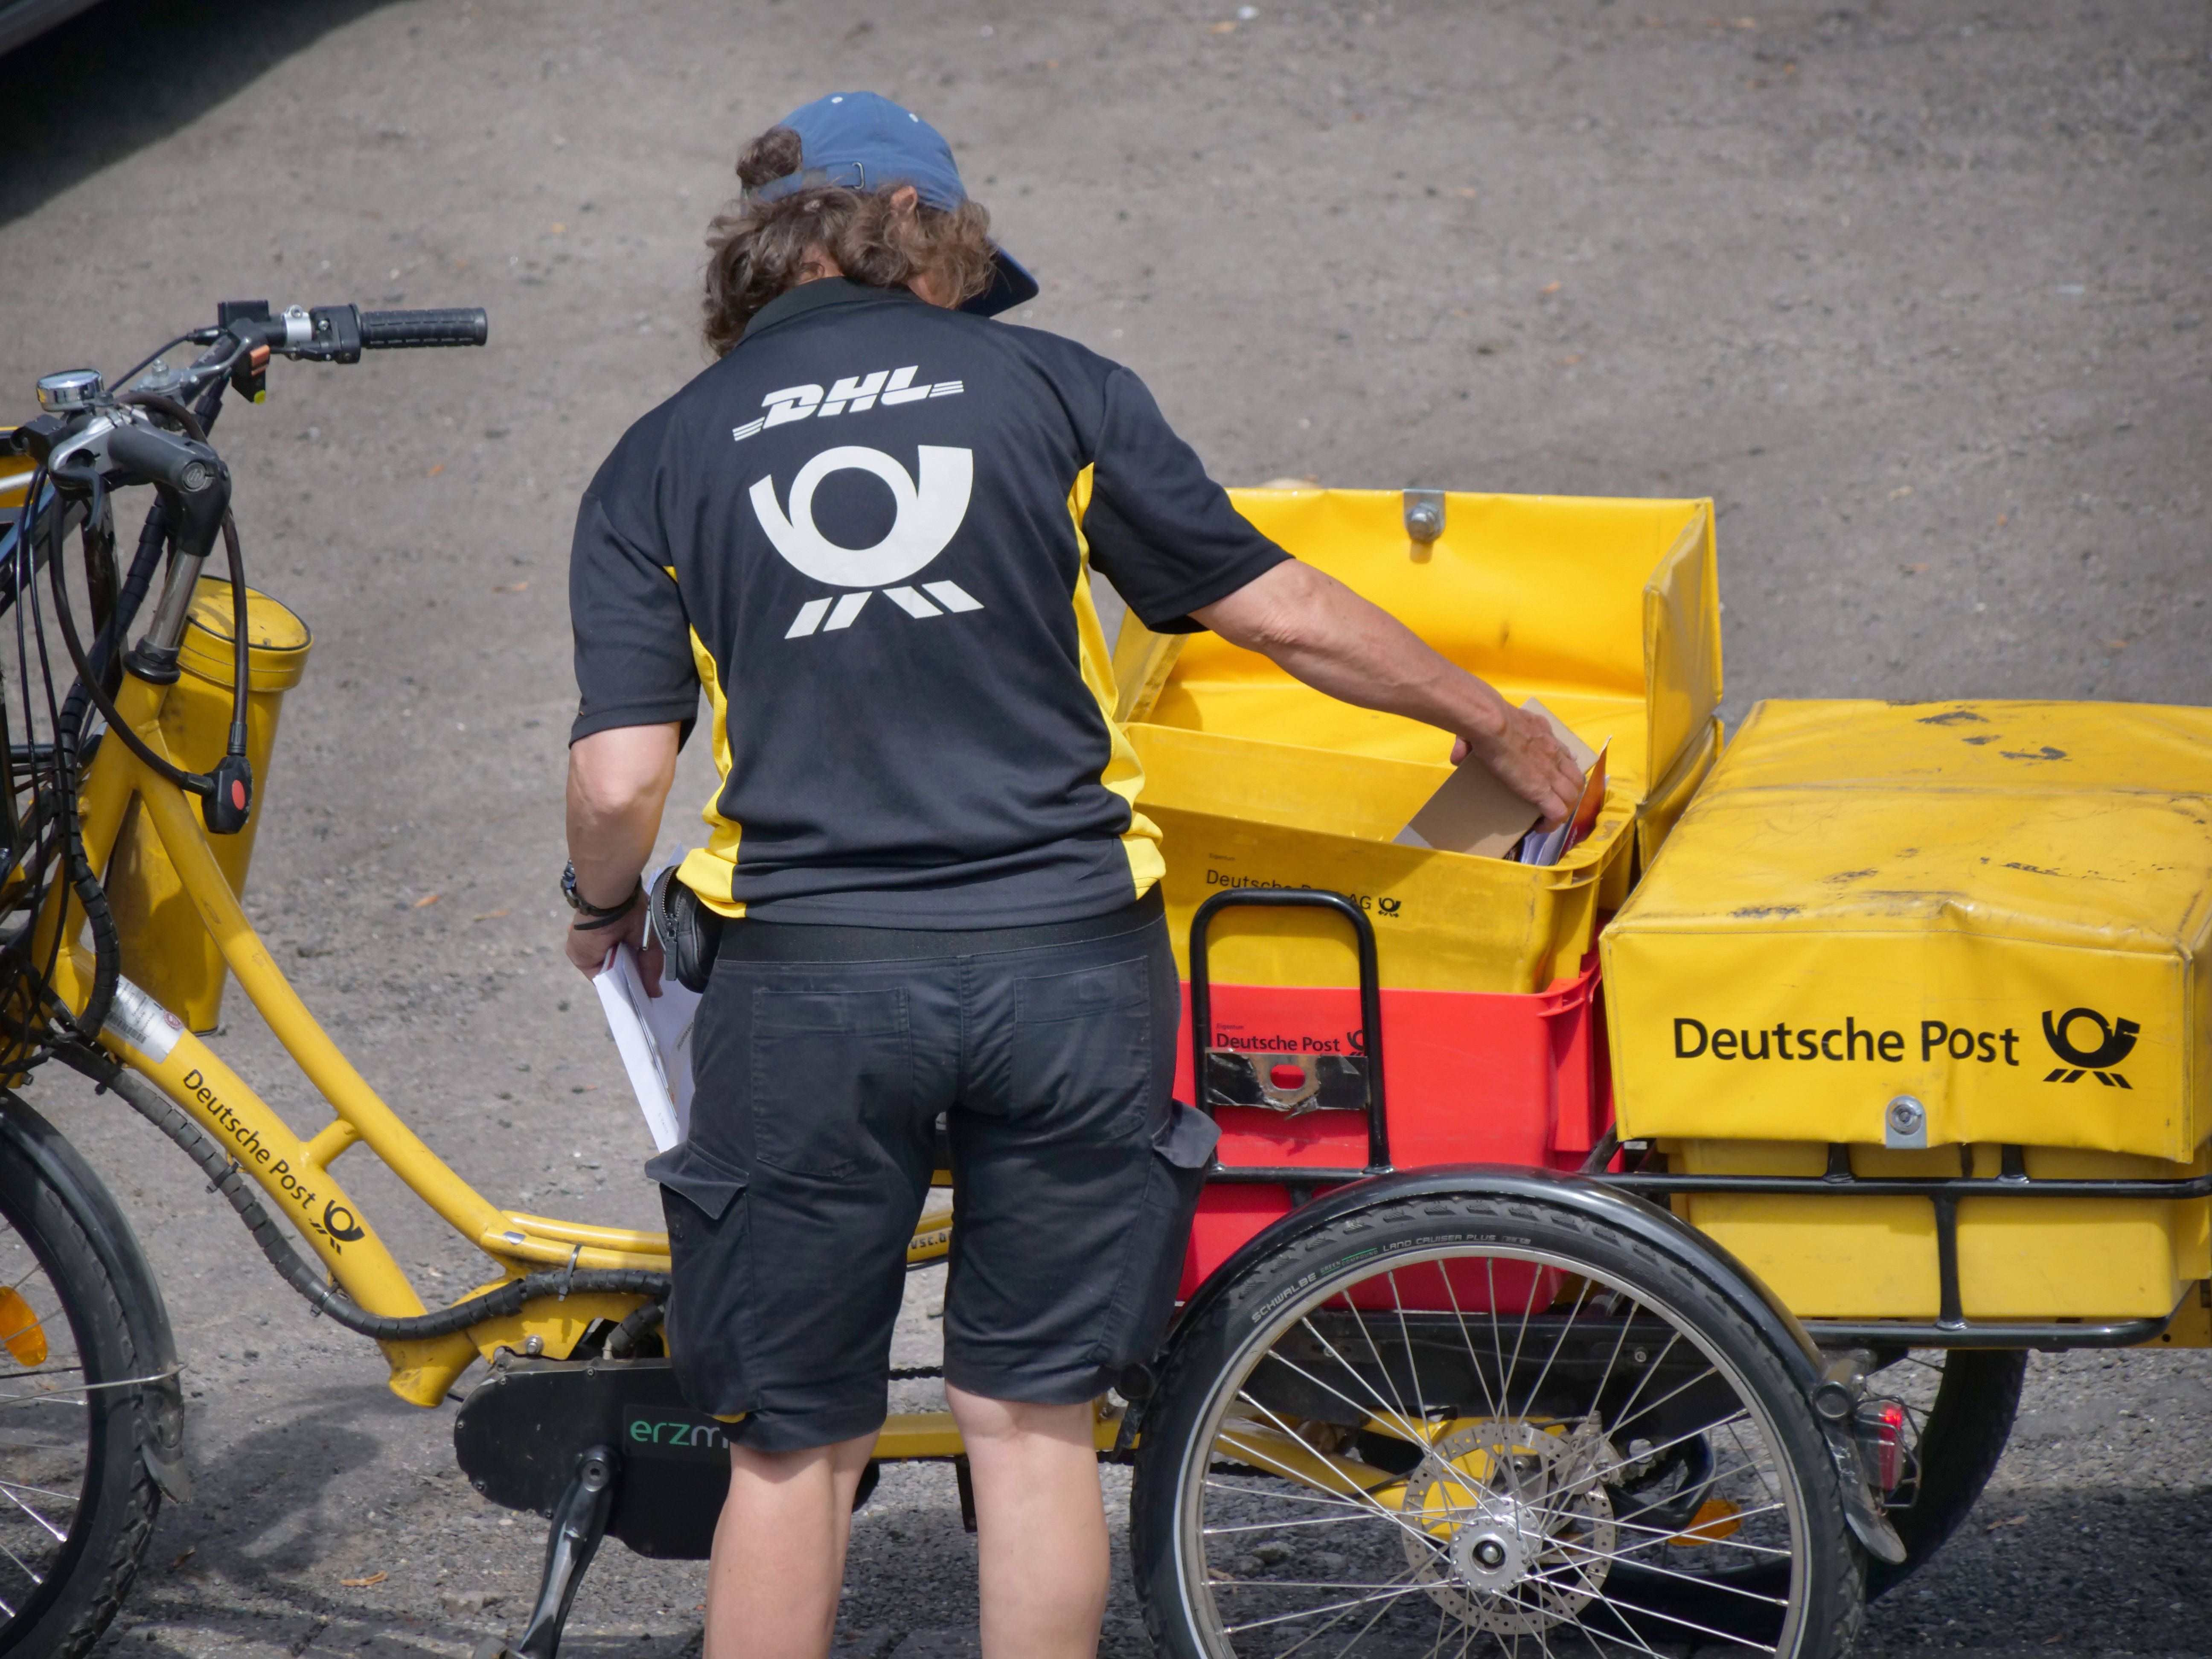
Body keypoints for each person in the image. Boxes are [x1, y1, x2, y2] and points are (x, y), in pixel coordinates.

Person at [560, 91, 1582, 1659]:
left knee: (792, 1442)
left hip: (812, 991)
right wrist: (1494, 725)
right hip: (1067, 965)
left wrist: (602, 905)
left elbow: (622, 777)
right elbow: (1281, 612)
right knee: (1029, 1423)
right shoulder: (1053, 387)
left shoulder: (660, 460)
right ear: (925, 234)